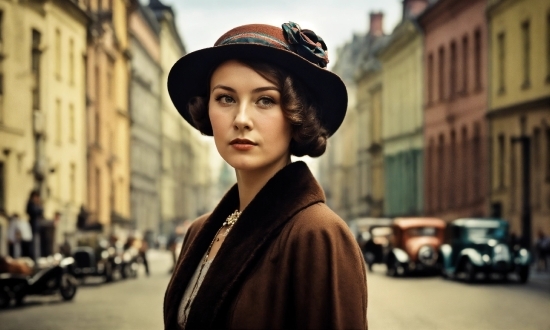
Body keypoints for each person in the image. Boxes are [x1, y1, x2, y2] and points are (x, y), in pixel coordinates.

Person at [163, 22, 367, 329]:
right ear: (208, 110)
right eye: (226, 98)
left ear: (297, 115)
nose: (241, 119)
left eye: (265, 100)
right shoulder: (199, 231)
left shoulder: (318, 234)